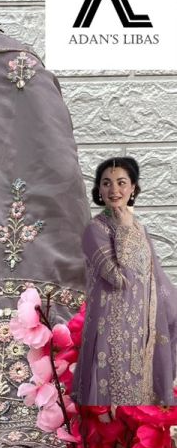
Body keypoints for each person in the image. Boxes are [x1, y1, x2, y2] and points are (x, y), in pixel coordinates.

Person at [73, 156, 177, 405]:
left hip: (141, 328)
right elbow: (118, 279)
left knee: (141, 401)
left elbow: (154, 276)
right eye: (106, 183)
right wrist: (125, 230)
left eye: (121, 182)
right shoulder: (95, 230)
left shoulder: (139, 228)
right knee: (111, 403)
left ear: (133, 188)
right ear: (99, 190)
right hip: (110, 330)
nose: (114, 190)